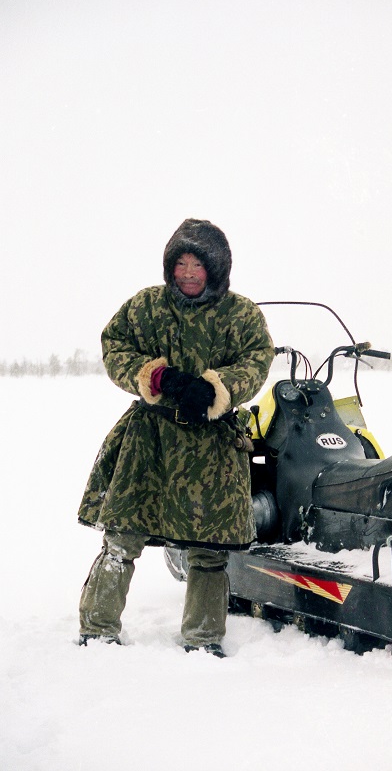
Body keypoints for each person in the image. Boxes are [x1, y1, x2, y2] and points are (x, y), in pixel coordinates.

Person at [78, 219, 274, 657]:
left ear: (217, 268)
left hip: (213, 445)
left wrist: (215, 388)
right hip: (150, 440)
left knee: (209, 548)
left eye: (197, 265)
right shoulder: (146, 306)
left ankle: (203, 641)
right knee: (122, 537)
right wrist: (155, 375)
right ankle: (97, 630)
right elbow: (116, 346)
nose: (187, 273)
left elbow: (257, 360)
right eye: (180, 263)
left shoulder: (241, 314)